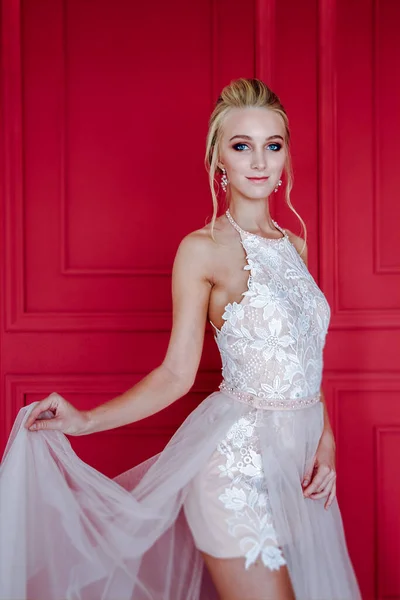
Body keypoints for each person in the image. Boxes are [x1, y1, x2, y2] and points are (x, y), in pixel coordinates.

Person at [0, 78, 361, 600]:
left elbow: (305, 361)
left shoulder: (295, 246)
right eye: (242, 146)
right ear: (220, 158)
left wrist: (324, 439)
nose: (259, 161)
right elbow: (176, 374)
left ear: (286, 156)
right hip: (235, 471)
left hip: (300, 471)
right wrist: (86, 420)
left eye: (272, 146)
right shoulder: (202, 249)